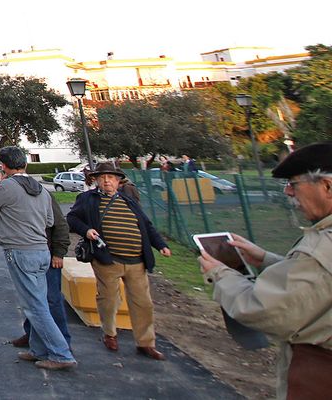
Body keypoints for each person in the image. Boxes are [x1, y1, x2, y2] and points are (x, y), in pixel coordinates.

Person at [199, 142, 332, 400]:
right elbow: (320, 282)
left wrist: (220, 274)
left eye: (294, 184)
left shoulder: (321, 247)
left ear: (327, 186)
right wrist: (266, 259)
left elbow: (262, 309)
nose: (288, 192)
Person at [67, 160, 171, 360]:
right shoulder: (88, 199)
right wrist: (86, 230)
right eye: (103, 177)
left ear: (118, 181)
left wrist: (161, 245)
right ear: (96, 180)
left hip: (136, 260)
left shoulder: (128, 201)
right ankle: (110, 333)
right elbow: (72, 219)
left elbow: (146, 225)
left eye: (111, 178)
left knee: (143, 303)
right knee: (109, 299)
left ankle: (145, 342)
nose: (107, 181)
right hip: (107, 259)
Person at [0, 146, 76, 371]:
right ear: (25, 163)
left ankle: (61, 353)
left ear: (3, 166)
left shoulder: (7, 186)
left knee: (34, 306)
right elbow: (48, 220)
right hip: (41, 250)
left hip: (20, 250)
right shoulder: (42, 189)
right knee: (40, 301)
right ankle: (38, 349)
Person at [17, 181, 73, 354]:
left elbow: (61, 225)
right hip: (28, 253)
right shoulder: (17, 198)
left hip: (47, 254)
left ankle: (62, 343)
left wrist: (59, 252)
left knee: (52, 300)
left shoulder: (43, 195)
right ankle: (33, 335)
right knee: (31, 298)